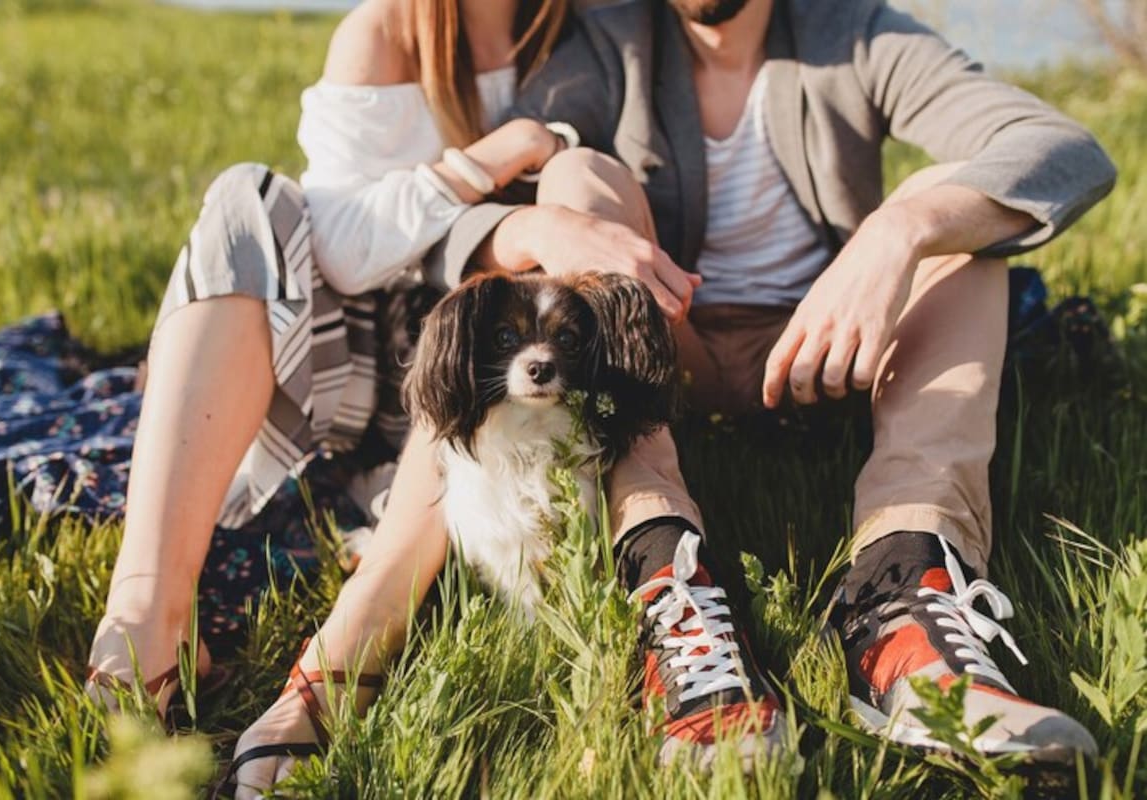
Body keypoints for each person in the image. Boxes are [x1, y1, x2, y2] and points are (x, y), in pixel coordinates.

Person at [424, 0, 1116, 772]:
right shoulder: (614, 39)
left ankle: (905, 604)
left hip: (832, 350)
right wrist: (535, 229)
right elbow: (457, 213)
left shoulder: (852, 33)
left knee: (962, 200)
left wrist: (901, 231)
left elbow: (1065, 149)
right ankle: (669, 580)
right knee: (578, 177)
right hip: (665, 350)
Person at [83, 0, 571, 778]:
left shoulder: (581, 28)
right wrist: (489, 161)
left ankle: (353, 628)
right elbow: (340, 248)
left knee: (506, 286)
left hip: (492, 375)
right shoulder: (382, 33)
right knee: (247, 197)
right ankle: (149, 611)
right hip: (352, 374)